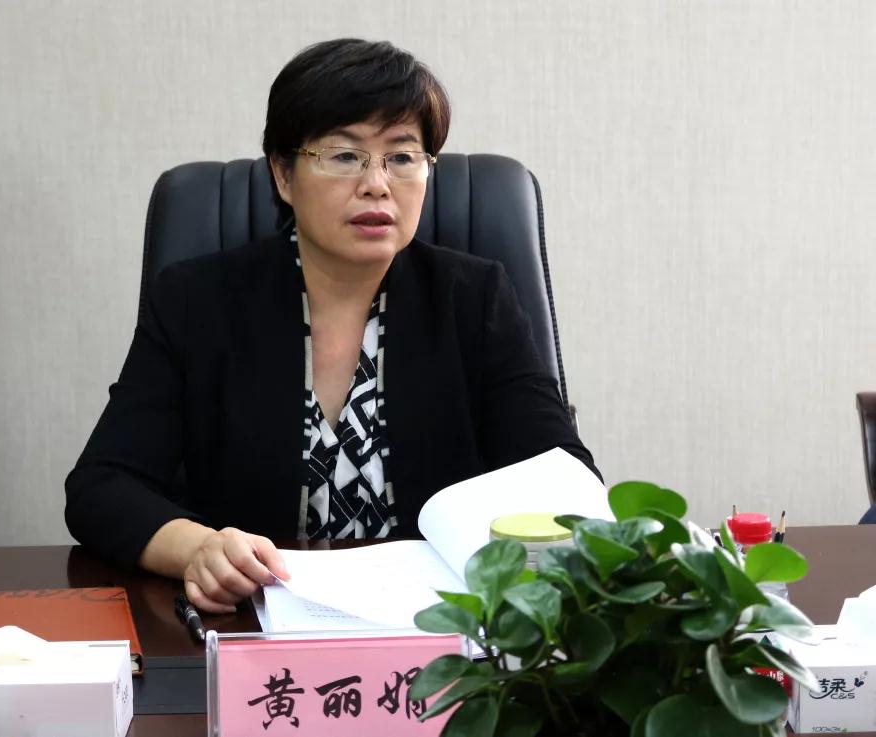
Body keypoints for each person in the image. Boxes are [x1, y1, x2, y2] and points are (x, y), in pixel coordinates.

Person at [65, 38, 598, 613]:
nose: (377, 184)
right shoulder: (198, 302)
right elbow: (102, 487)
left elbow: (564, 481)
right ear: (283, 174)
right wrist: (198, 549)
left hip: (435, 629)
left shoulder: (474, 299)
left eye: (402, 157)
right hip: (253, 623)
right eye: (345, 156)